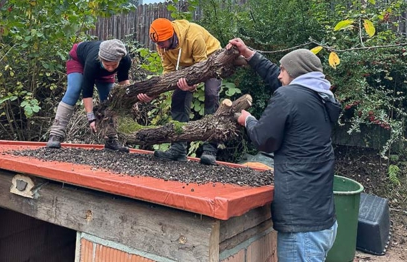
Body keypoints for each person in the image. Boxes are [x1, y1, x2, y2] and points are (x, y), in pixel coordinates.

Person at [228, 38, 340, 261]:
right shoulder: (320, 96)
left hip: (301, 226)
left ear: (295, 72)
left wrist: (247, 120)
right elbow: (278, 80)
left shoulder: (289, 96)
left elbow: (264, 139)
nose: (279, 75)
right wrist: (249, 54)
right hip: (322, 220)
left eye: (282, 70)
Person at [137, 18, 222, 165]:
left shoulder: (194, 37)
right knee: (178, 98)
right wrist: (152, 94)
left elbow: (203, 69)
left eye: (162, 42)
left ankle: (210, 150)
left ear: (171, 36)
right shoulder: (162, 45)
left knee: (211, 94)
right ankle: (178, 148)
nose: (159, 46)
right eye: (157, 43)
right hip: (189, 64)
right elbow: (168, 72)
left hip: (211, 59)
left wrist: (192, 86)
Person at [46, 39, 131, 151]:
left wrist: (131, 100)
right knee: (74, 90)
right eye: (107, 65)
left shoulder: (125, 60)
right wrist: (91, 118)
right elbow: (87, 91)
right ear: (101, 59)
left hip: (100, 67)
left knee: (109, 99)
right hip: (79, 60)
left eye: (114, 65)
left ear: (120, 60)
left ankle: (111, 139)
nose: (110, 68)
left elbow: (123, 84)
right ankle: (55, 135)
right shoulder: (92, 62)